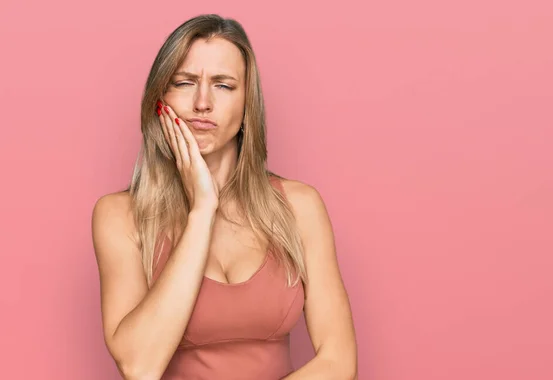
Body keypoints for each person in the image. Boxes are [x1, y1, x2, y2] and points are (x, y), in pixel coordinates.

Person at [91, 13, 357, 380]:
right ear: (159, 99)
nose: (203, 102)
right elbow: (139, 366)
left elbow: (339, 362)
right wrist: (202, 209)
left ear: (248, 105)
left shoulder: (300, 207)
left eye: (223, 85)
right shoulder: (119, 216)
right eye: (184, 82)